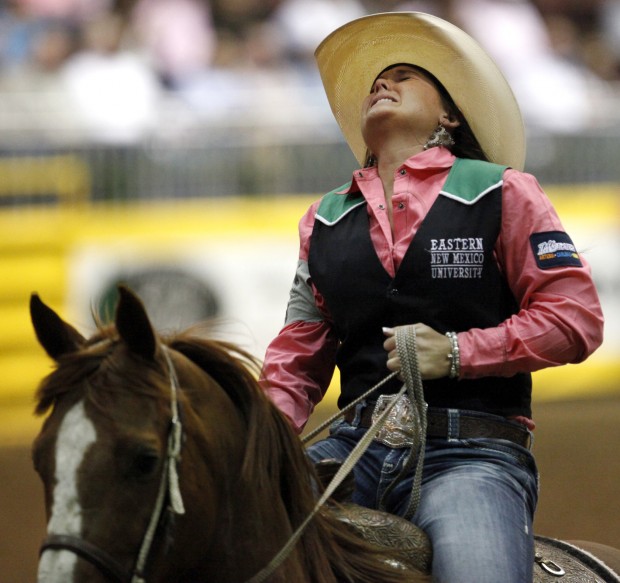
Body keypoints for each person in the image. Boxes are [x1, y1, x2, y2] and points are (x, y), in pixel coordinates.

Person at [260, 11, 604, 583]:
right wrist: (259, 444)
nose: (380, 83)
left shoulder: (505, 192)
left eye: (404, 75)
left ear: (448, 113)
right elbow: (296, 356)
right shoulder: (322, 220)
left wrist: (459, 352)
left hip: (471, 455)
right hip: (350, 448)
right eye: (375, 80)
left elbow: (575, 319)